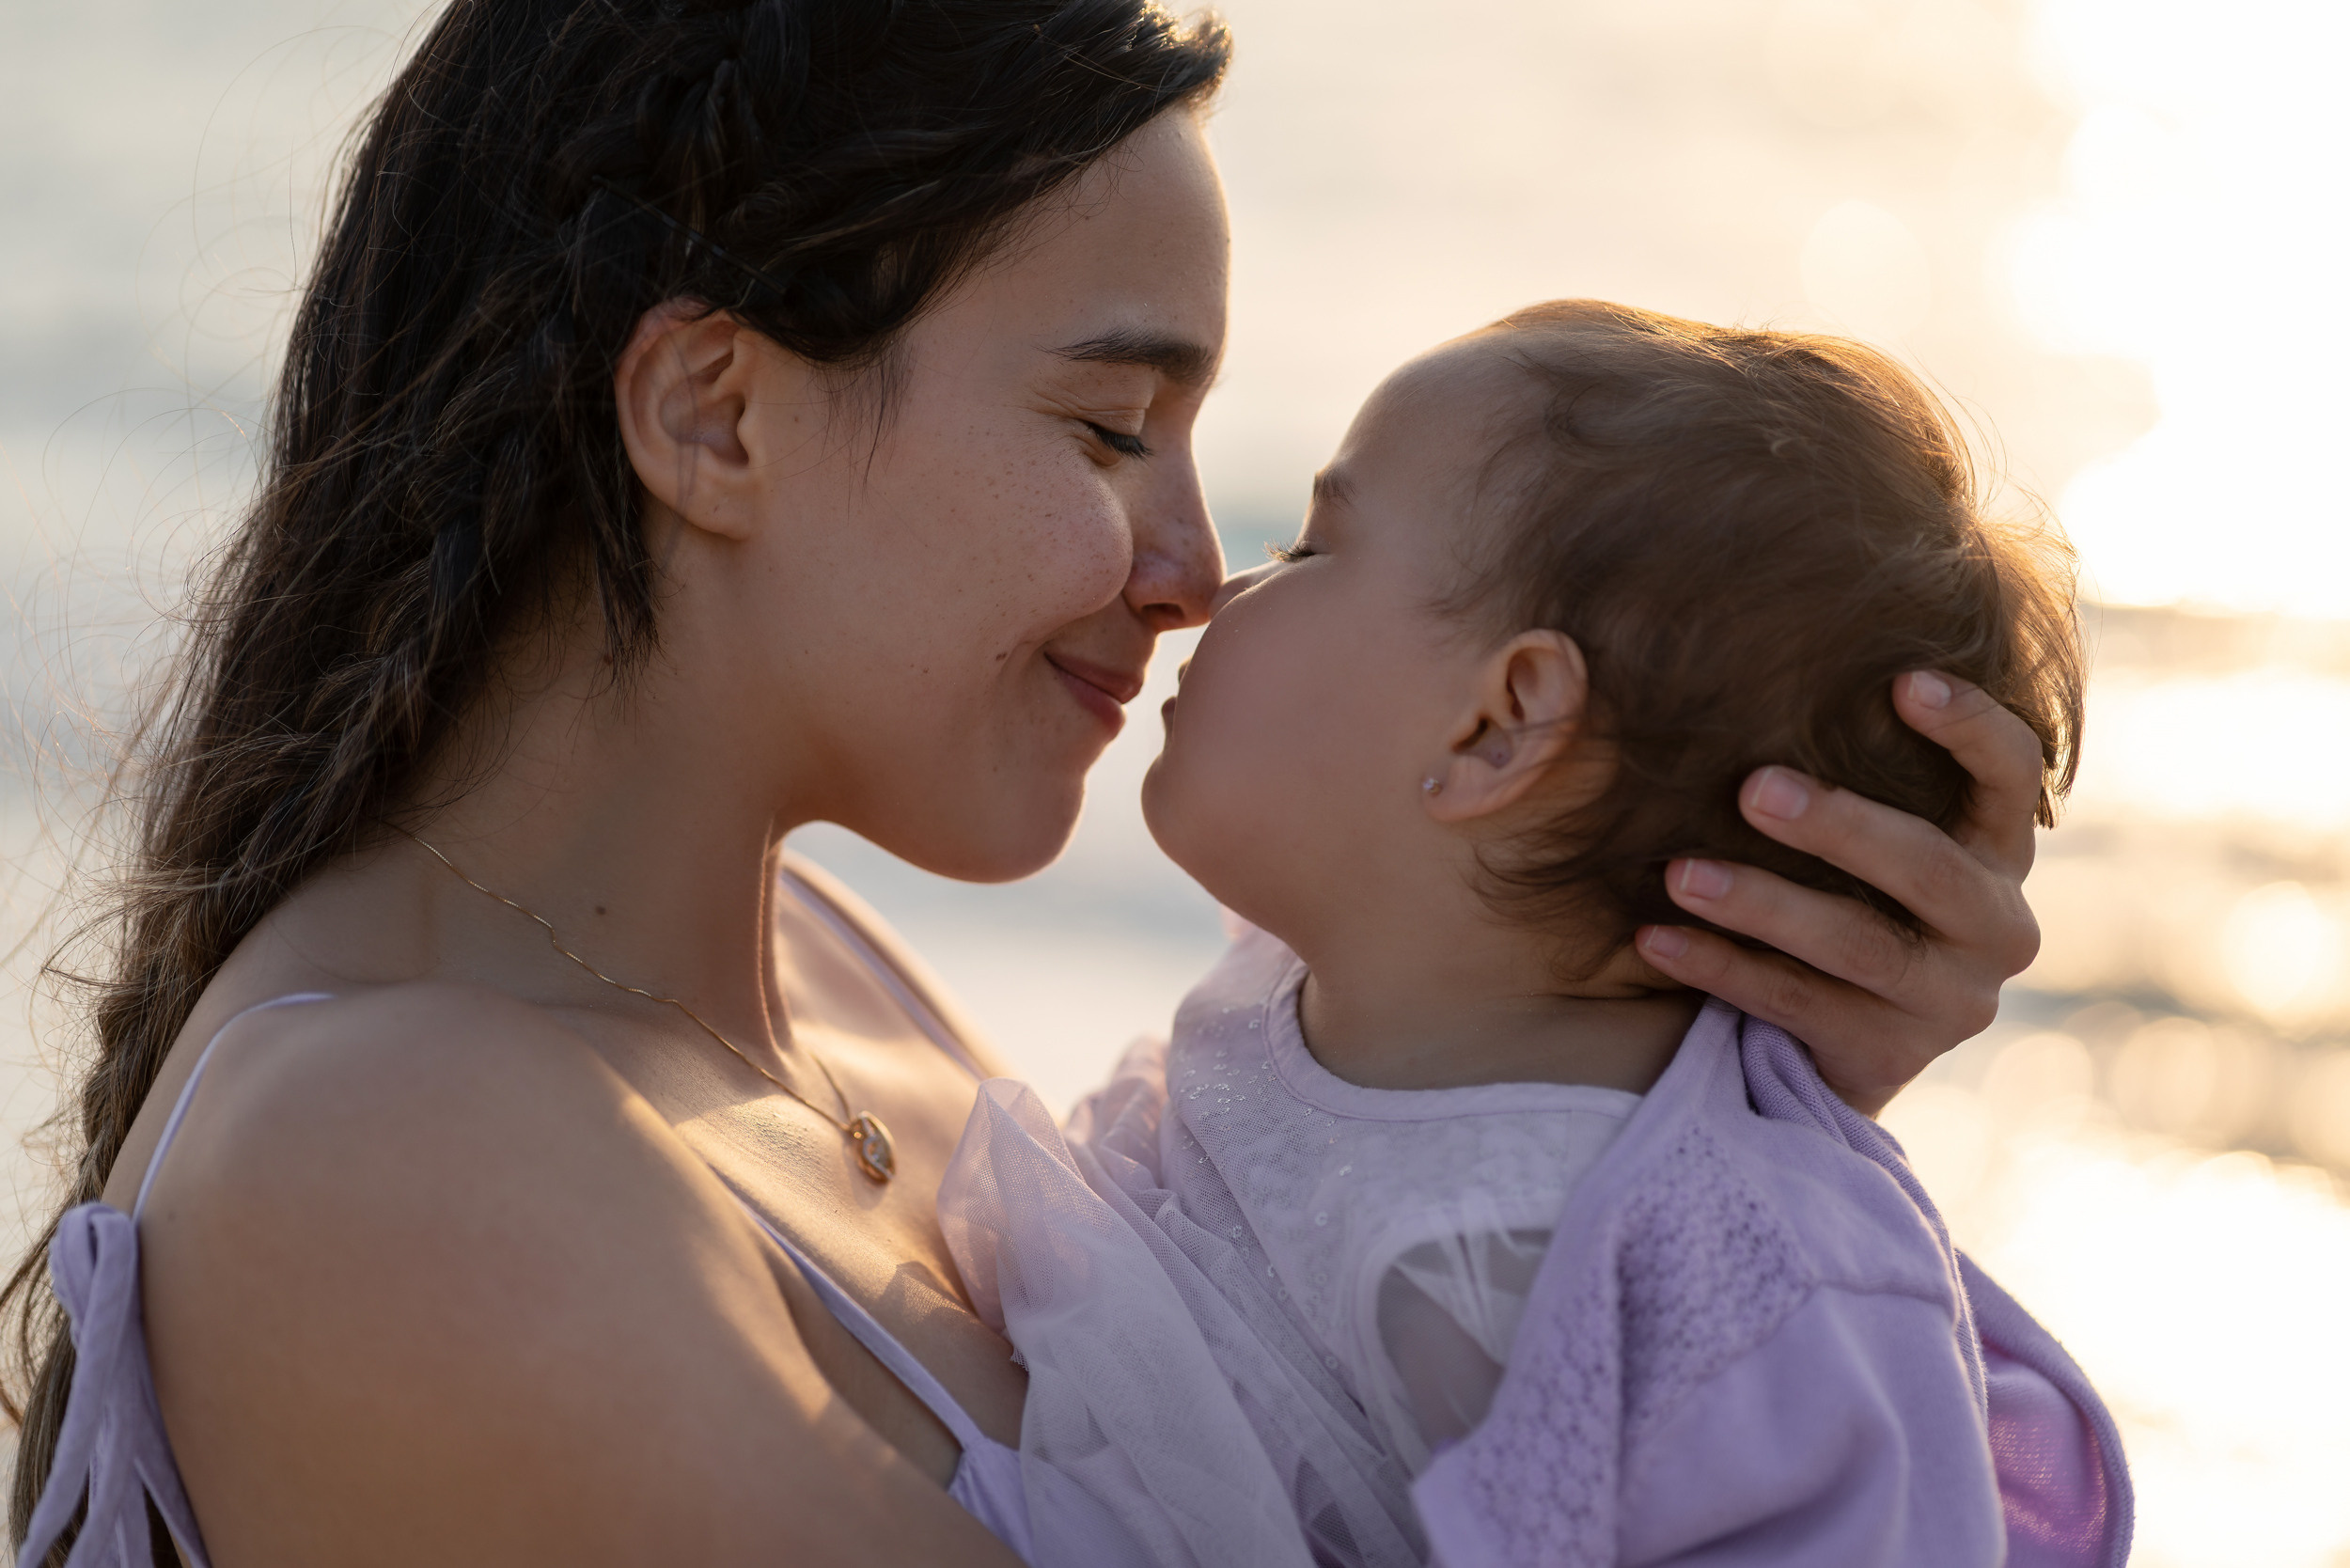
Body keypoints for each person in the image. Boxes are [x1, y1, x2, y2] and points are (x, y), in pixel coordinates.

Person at [3, 4, 2052, 1563]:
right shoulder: (393, 1161)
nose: (1186, 568)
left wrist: (1669, 1095)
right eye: (1103, 428)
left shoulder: (812, 997)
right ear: (713, 415)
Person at [941, 302, 2129, 1568]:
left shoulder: (1734, 1284)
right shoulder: (1337, 971)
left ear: (1499, 725)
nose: (1211, 590)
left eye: (1308, 548)